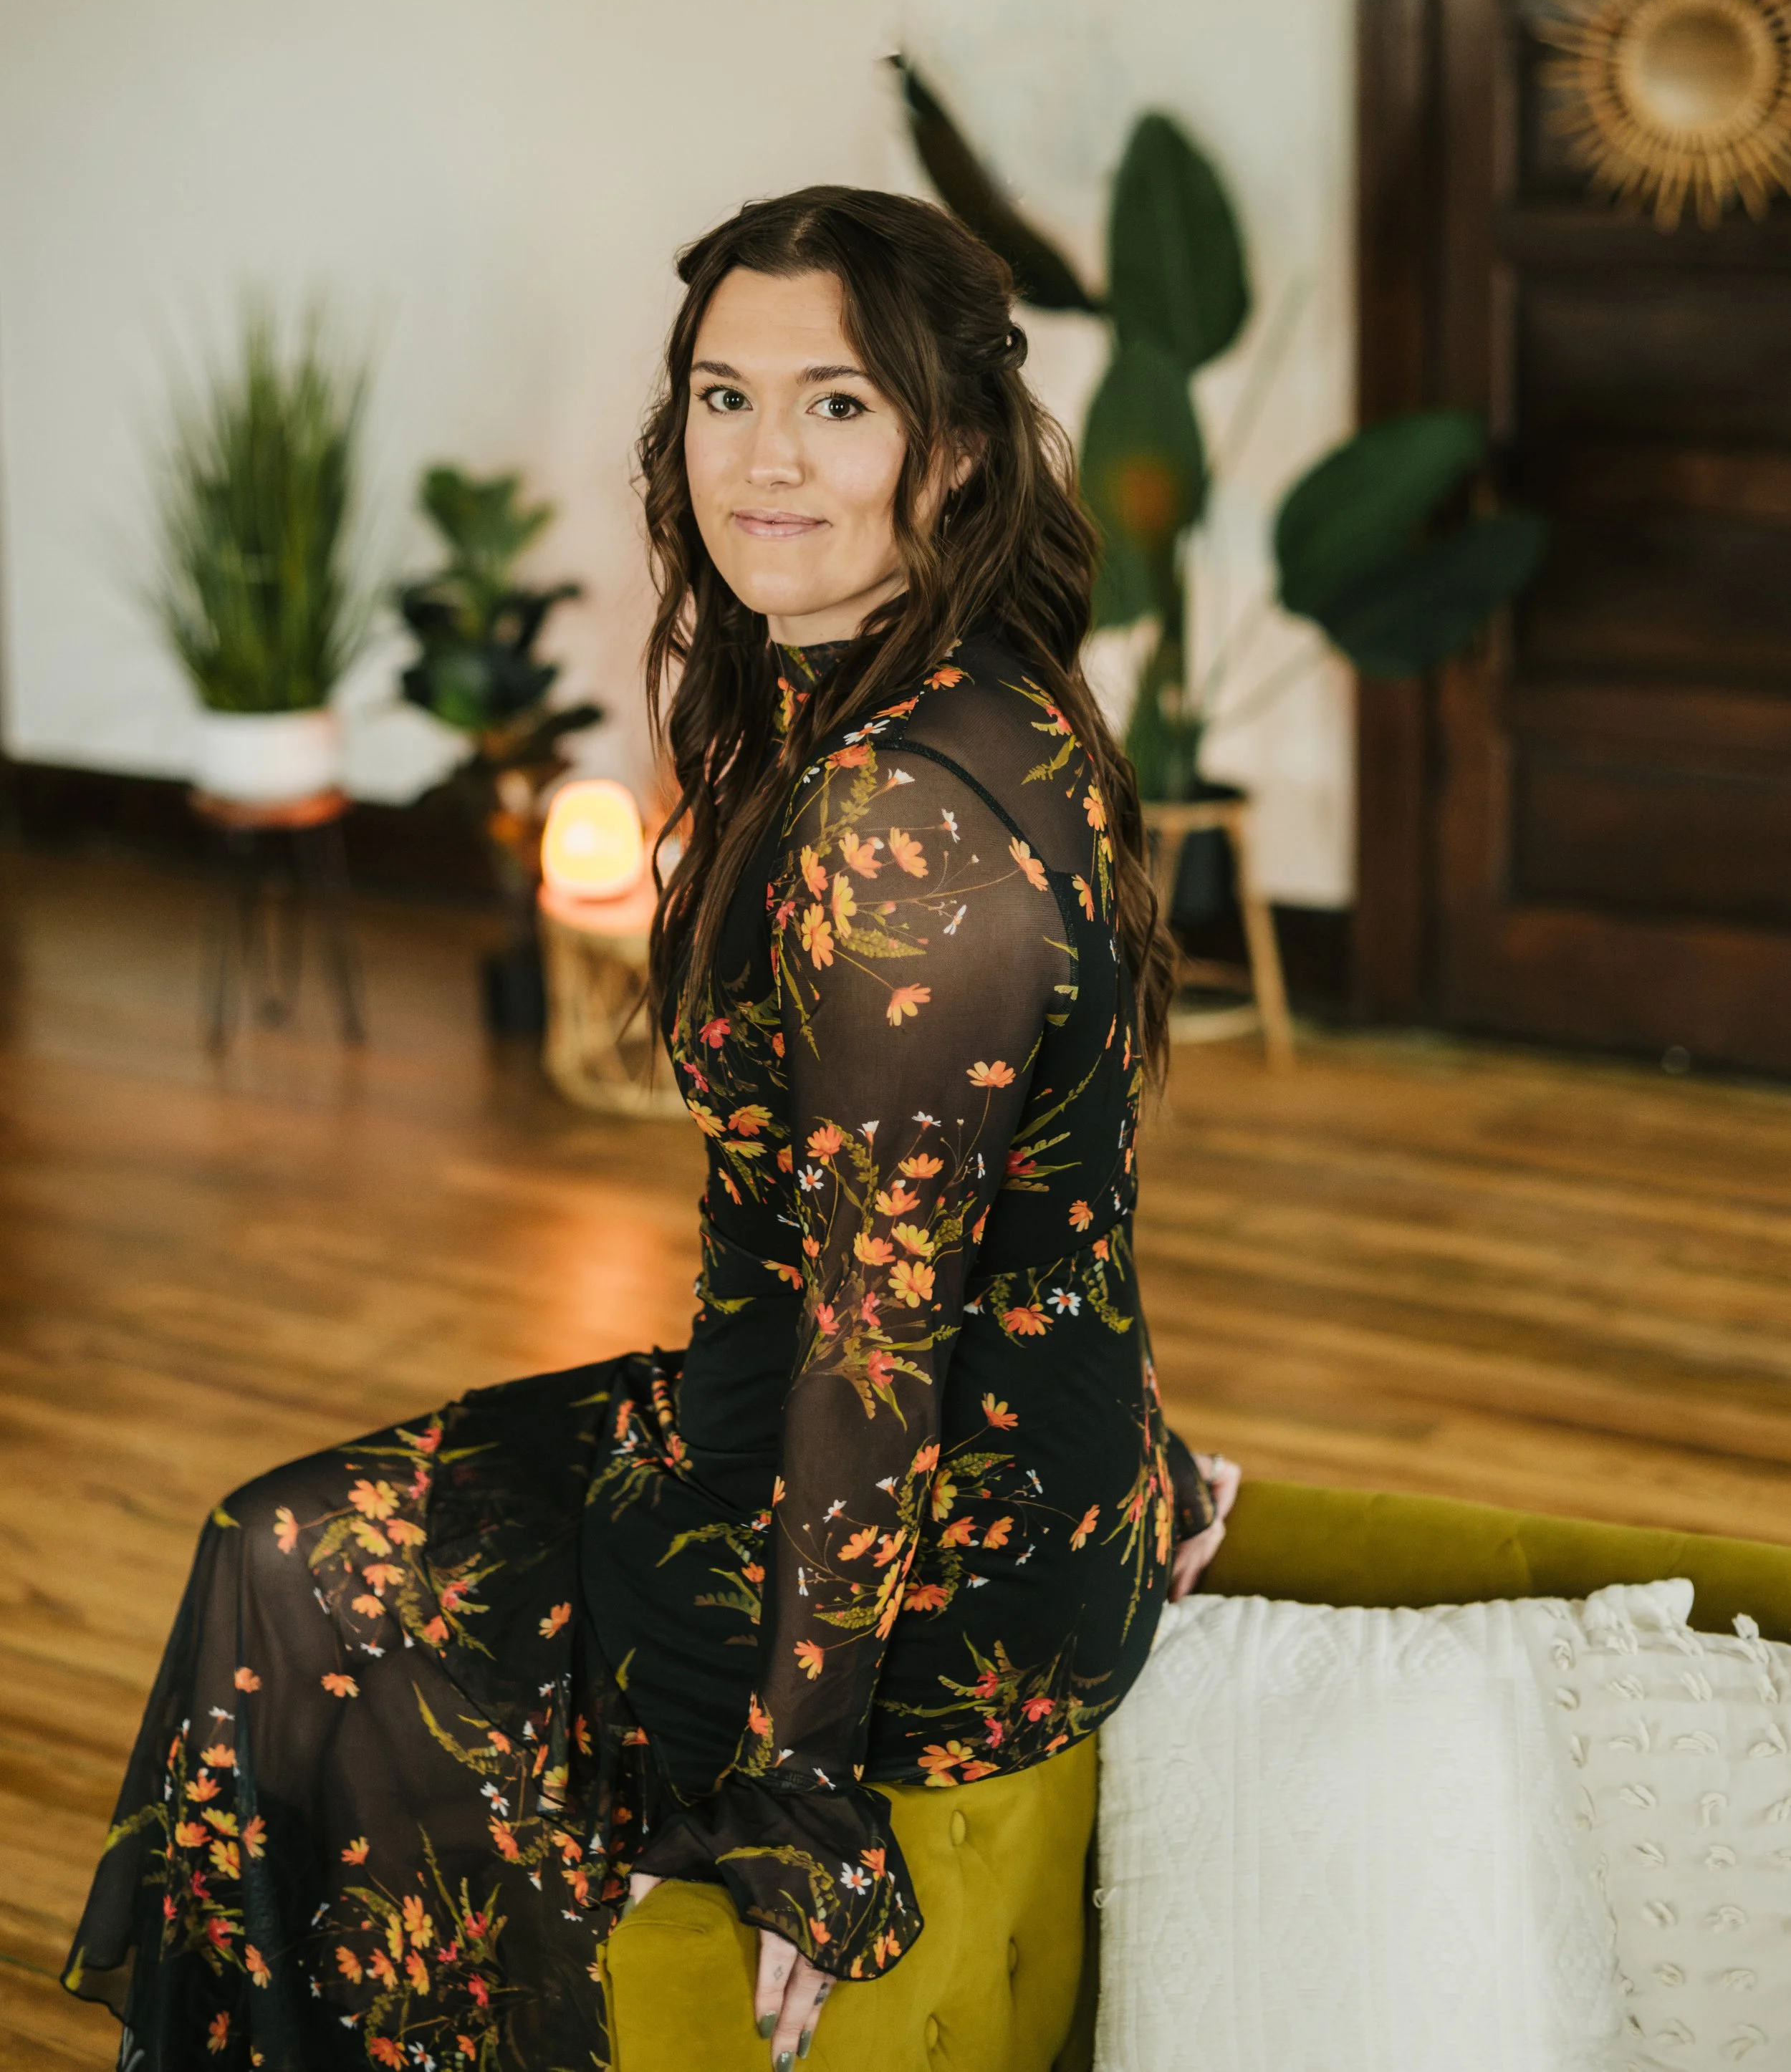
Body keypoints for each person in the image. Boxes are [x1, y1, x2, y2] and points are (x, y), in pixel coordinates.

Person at [64, 187, 1239, 2072]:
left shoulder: (893, 820)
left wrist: (795, 1791)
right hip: (1010, 1476)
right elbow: (1041, 1186)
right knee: (306, 1549)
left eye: (833, 403)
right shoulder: (949, 687)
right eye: (721, 394)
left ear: (946, 449)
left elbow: (881, 1340)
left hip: (908, 1550)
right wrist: (1144, 1461)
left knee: (291, 1570)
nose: (761, 456)